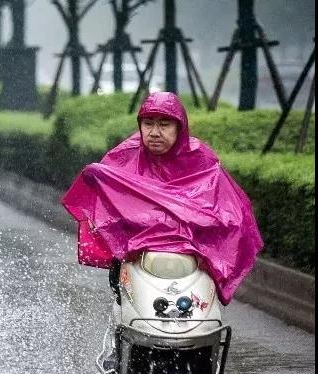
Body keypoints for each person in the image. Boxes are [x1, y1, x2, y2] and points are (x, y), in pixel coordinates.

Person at [62, 91, 263, 308]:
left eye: (164, 125)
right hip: (138, 255)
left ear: (179, 127)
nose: (155, 133)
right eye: (148, 124)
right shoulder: (125, 155)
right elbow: (108, 206)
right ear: (140, 126)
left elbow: (227, 210)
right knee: (121, 290)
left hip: (190, 256)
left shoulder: (200, 159)